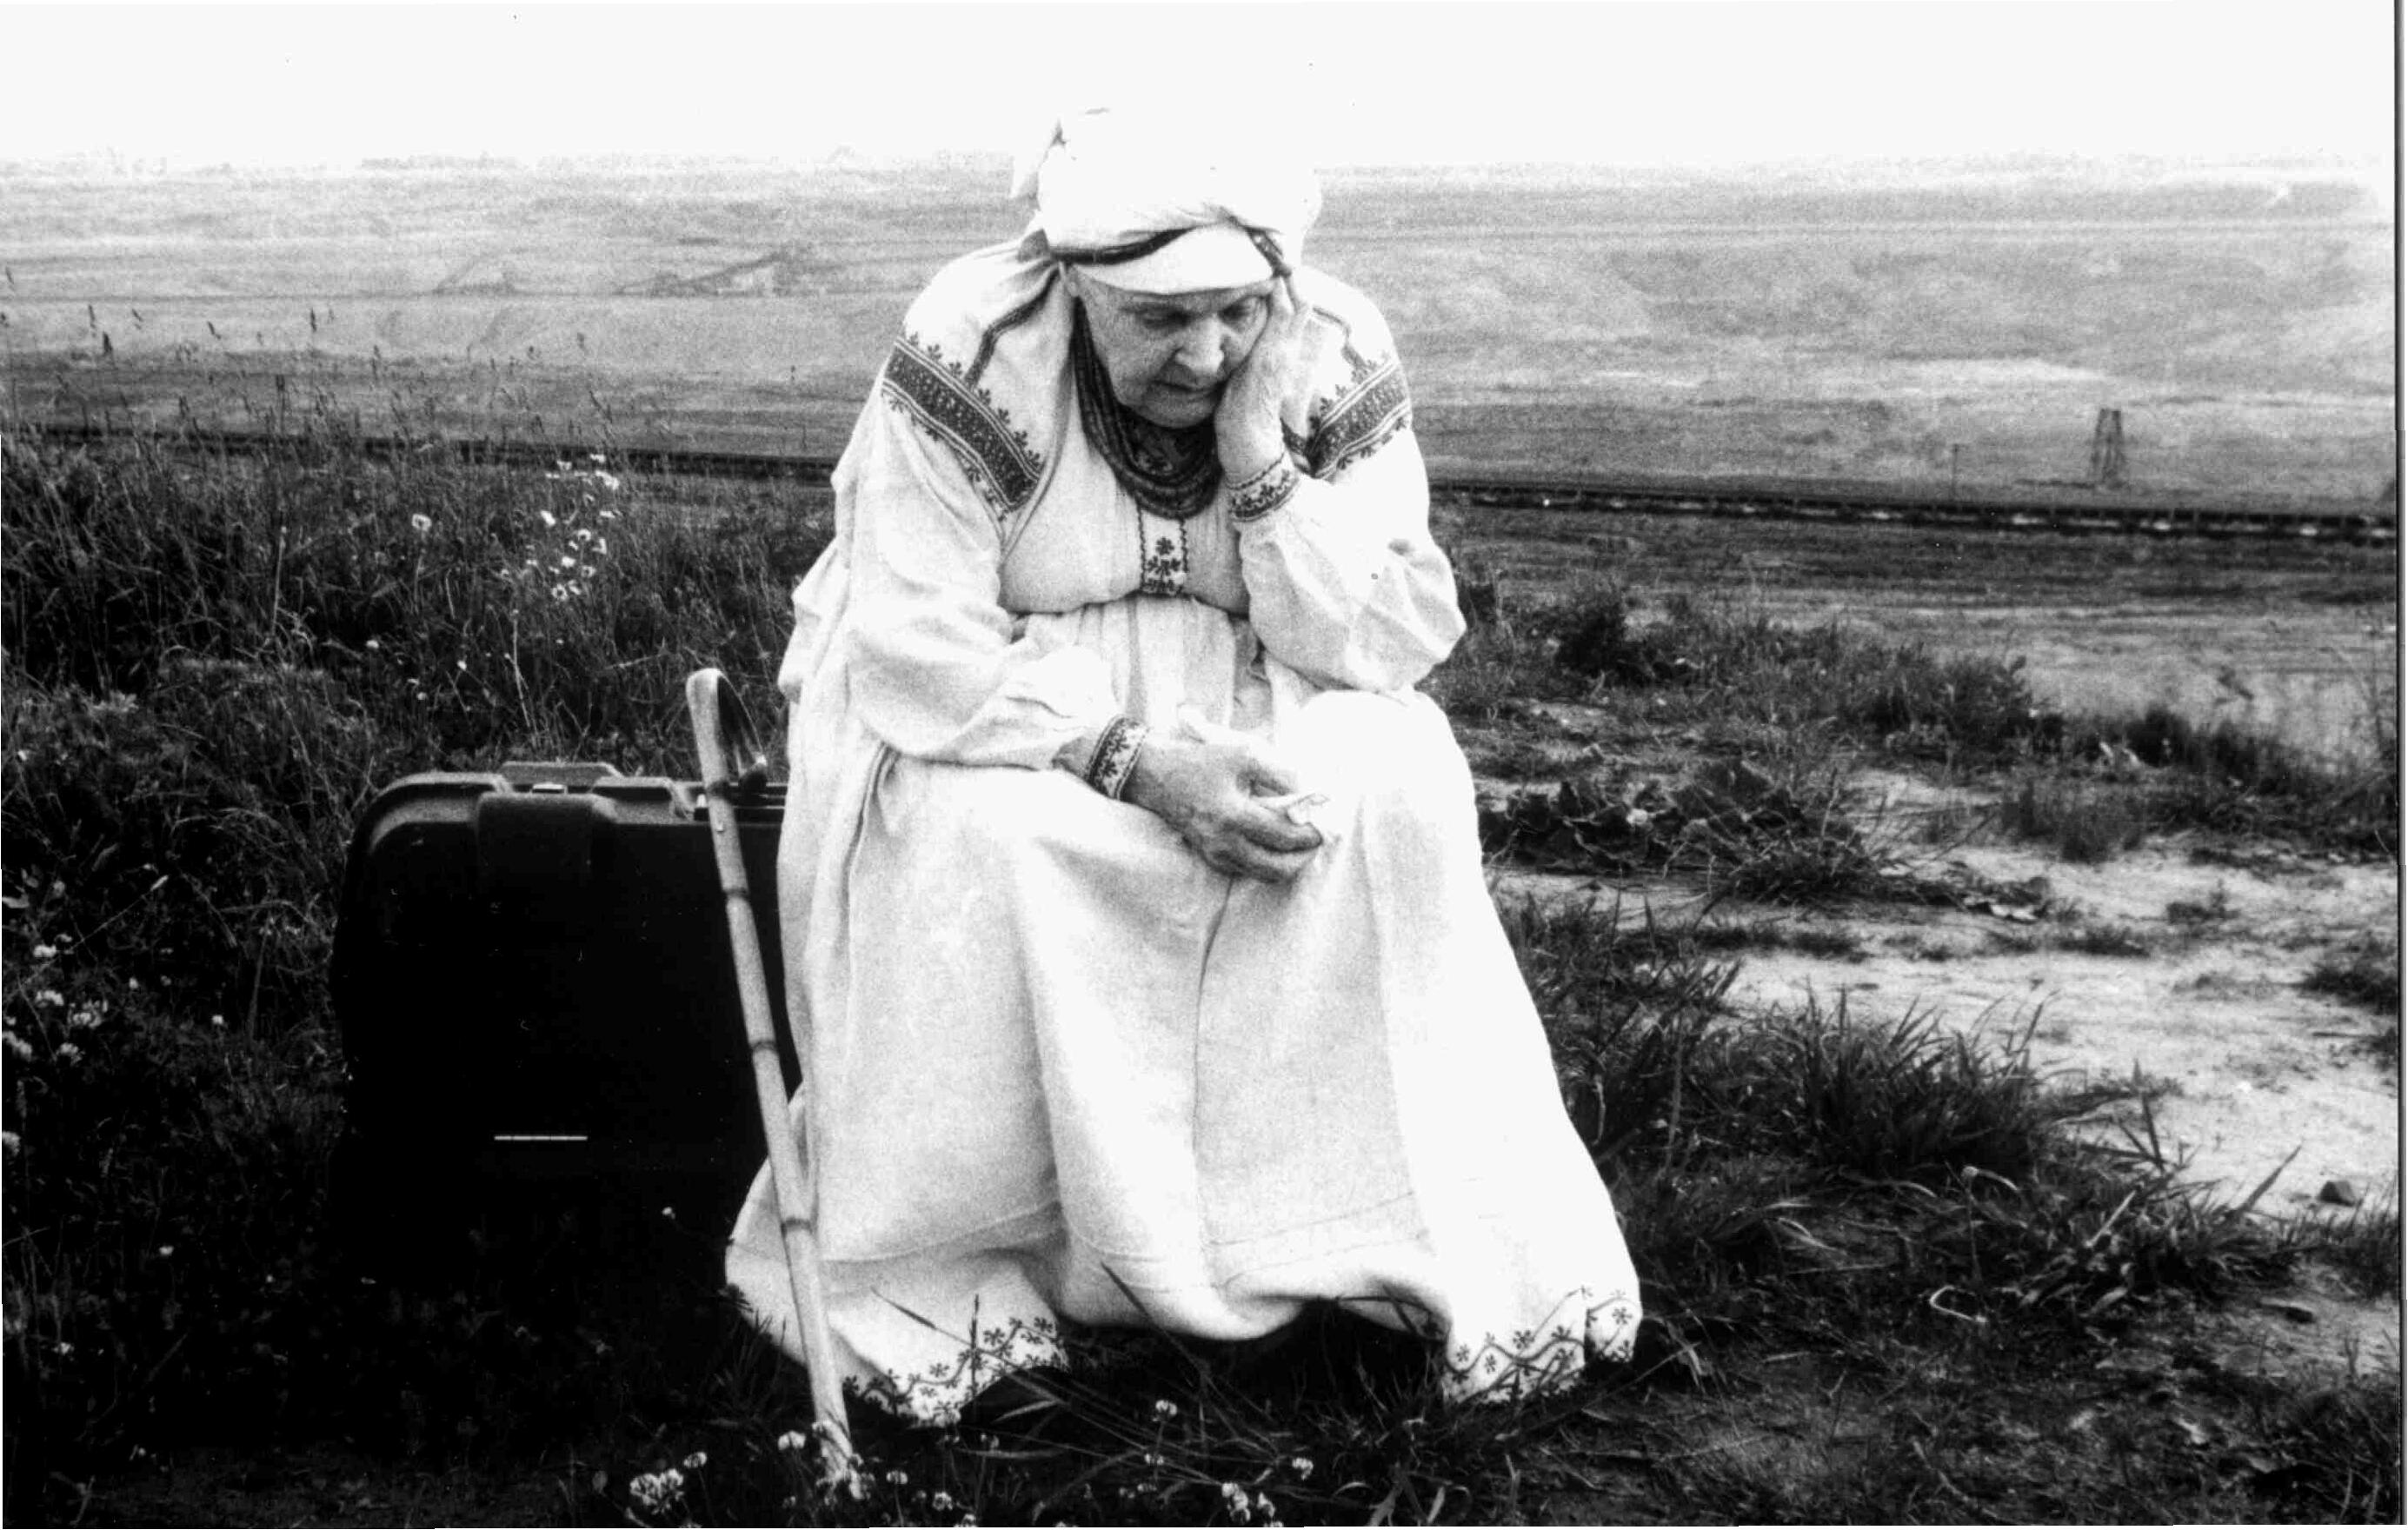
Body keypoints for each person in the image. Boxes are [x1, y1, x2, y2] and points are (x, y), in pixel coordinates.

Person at [727, 106, 1640, 1425]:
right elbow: (916, 642)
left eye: (1235, 312)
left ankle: (1317, 1250)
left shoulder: (1330, 346)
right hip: (1000, 699)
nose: (1206, 351)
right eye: (1161, 318)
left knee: (1388, 790)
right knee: (1008, 846)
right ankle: (1018, 1271)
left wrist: (1259, 459)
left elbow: (1381, 640)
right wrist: (1138, 763)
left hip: (1258, 668)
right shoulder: (976, 343)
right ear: (1077, 284)